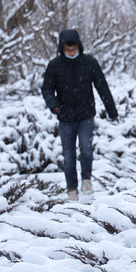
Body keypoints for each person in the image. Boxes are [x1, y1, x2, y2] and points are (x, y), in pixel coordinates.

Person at [41, 29, 118, 201]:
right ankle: (71, 189)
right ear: (62, 49)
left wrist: (112, 111)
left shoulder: (89, 62)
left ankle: (86, 180)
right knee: (68, 157)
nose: (71, 53)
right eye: (68, 50)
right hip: (65, 118)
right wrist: (54, 106)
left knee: (86, 149)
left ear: (79, 47)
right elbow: (46, 88)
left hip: (86, 116)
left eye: (74, 49)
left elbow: (102, 86)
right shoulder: (55, 66)